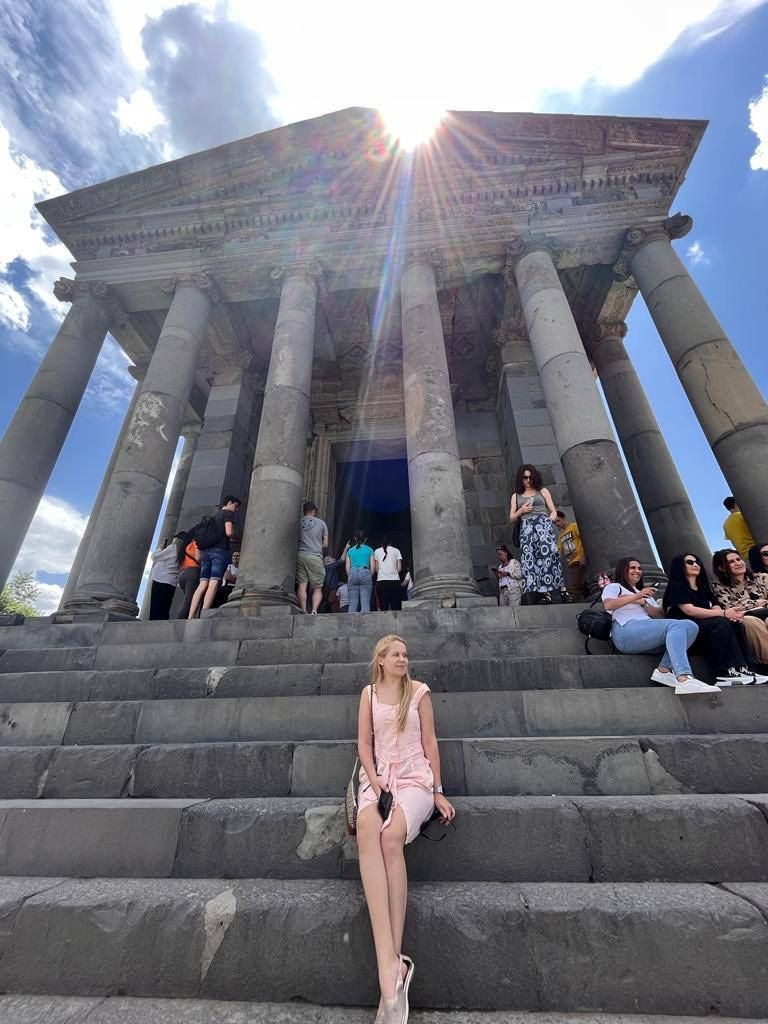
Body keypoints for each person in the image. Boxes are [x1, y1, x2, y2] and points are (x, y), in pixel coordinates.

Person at [356, 635, 455, 1023]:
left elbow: (430, 741)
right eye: (395, 654)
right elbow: (364, 744)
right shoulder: (368, 694)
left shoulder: (419, 692)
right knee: (367, 826)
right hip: (380, 779)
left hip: (415, 778)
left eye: (405, 654)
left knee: (390, 836)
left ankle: (392, 968)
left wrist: (439, 791)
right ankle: (390, 965)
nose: (403, 658)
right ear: (380, 660)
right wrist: (374, 780)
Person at [602, 556, 716, 695]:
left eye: (639, 568)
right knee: (676, 625)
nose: (637, 571)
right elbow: (609, 604)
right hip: (625, 631)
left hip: (647, 630)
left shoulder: (646, 595)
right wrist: (636, 597)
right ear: (622, 570)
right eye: (633, 568)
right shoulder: (614, 587)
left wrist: (644, 602)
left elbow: (659, 617)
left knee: (690, 626)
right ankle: (684, 677)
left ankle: (664, 670)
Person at [662, 553, 758, 686]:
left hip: (706, 630)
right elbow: (689, 610)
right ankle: (724, 673)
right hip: (688, 635)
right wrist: (724, 613)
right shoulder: (675, 586)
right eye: (690, 562)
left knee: (734, 623)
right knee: (720, 623)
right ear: (679, 566)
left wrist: (729, 614)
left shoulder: (704, 587)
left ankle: (743, 668)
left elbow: (715, 607)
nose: (695, 565)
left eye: (697, 562)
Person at [509, 464, 565, 604]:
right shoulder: (516, 496)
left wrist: (548, 521)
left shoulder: (543, 491)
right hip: (526, 528)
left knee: (549, 555)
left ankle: (557, 590)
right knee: (531, 560)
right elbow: (512, 518)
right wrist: (521, 510)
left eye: (530, 477)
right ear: (520, 479)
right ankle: (541, 594)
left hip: (543, 525)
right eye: (525, 478)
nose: (528, 480)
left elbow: (553, 510)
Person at [711, 548, 768, 674]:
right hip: (744, 618)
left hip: (765, 613)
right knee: (750, 621)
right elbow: (730, 608)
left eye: (738, 559)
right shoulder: (718, 586)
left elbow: (739, 605)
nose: (738, 563)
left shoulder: (762, 578)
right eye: (731, 562)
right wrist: (761, 602)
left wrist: (748, 604)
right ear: (721, 568)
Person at [188, 496, 240, 619]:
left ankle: (191, 616)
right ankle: (204, 614)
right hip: (219, 552)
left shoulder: (214, 516)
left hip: (206, 552)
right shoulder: (228, 513)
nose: (236, 509)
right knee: (214, 582)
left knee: (202, 584)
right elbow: (229, 532)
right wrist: (237, 537)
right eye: (236, 506)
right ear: (230, 502)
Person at [296, 501, 329, 615]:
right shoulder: (321, 523)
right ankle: (314, 610)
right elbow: (325, 544)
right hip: (314, 556)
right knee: (317, 587)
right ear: (314, 511)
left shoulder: (297, 522)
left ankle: (304, 610)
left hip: (300, 555)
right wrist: (316, 544)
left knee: (302, 585)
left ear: (304, 511)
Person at [147, 533, 185, 620]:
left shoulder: (173, 547)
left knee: (156, 607)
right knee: (165, 608)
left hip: (161, 579)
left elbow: (154, 557)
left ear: (177, 539)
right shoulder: (183, 552)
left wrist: (160, 548)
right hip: (172, 582)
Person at [554, 511, 587, 602]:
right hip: (571, 563)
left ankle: (573, 601)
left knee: (575, 585)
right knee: (578, 584)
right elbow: (559, 551)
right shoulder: (560, 536)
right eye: (555, 523)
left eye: (558, 521)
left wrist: (584, 556)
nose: (557, 524)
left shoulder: (574, 526)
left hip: (579, 559)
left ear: (564, 518)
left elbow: (584, 539)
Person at [346, 530, 376, 613]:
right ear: (366, 539)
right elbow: (373, 568)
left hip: (352, 573)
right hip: (365, 571)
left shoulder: (350, 551)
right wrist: (368, 575)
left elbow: (347, 568)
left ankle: (350, 620)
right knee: (365, 604)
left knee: (352, 604)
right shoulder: (370, 550)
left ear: (355, 539)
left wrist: (351, 575)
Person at [175, 531, 200, 620]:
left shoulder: (183, 548)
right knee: (189, 602)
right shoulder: (195, 544)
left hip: (182, 575)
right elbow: (198, 558)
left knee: (189, 601)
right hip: (192, 573)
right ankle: (178, 623)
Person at [375, 538, 403, 612]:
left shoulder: (377, 551)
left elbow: (376, 569)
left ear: (381, 543)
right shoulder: (396, 550)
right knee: (396, 608)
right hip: (395, 581)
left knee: (384, 608)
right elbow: (399, 568)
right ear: (391, 543)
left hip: (382, 581)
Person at [322, 542, 351, 612]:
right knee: (334, 604)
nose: (331, 559)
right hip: (332, 589)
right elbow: (341, 560)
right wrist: (346, 548)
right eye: (328, 559)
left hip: (332, 589)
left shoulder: (329, 568)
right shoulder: (329, 567)